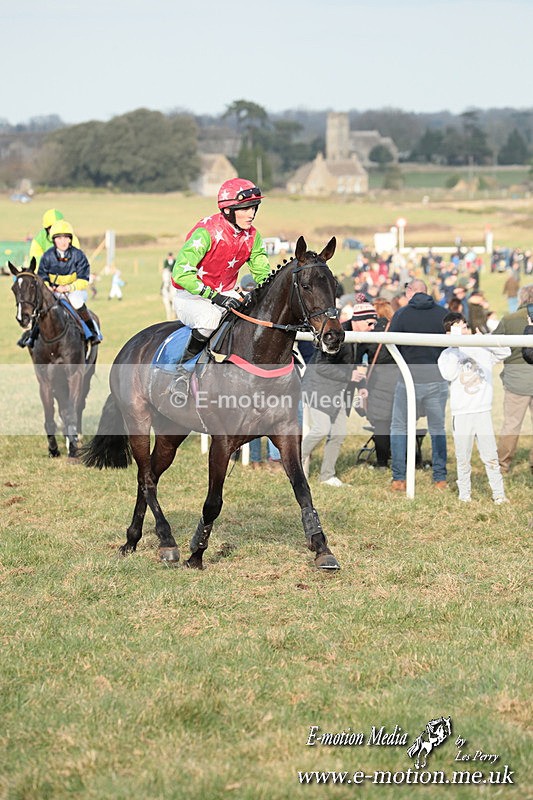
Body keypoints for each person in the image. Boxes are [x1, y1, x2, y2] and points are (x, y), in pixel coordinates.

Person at [170, 179, 271, 370]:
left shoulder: (253, 236)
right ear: (227, 210)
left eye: (254, 208)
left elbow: (262, 273)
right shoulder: (206, 232)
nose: (251, 214)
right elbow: (180, 273)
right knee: (210, 320)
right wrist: (215, 296)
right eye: (245, 209)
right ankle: (182, 370)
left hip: (226, 294)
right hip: (191, 297)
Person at [301, 296, 378, 487]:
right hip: (319, 388)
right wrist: (349, 376)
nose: (372, 328)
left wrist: (360, 387)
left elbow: (356, 368)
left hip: (340, 393)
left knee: (339, 433)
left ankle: (327, 476)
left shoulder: (361, 337)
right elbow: (321, 367)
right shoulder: (336, 333)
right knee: (321, 429)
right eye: (370, 323)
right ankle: (294, 462)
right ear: (357, 321)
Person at [438, 312, 509, 504]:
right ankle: (465, 495)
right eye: (458, 327)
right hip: (461, 413)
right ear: (448, 333)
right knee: (463, 456)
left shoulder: (481, 347)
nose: (464, 330)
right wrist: (456, 345)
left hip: (482, 411)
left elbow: (505, 353)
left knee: (490, 456)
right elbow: (449, 374)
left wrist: (484, 340)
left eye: (465, 325)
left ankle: (499, 494)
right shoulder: (447, 354)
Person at [389, 279, 449, 491]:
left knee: (399, 428)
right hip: (437, 378)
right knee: (437, 429)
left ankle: (399, 478)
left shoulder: (402, 314)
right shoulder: (443, 314)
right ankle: (440, 478)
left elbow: (391, 343)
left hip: (408, 379)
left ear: (410, 292)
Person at [28, 220, 101, 345]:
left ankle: (92, 331)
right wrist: (49, 287)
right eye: (59, 238)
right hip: (55, 290)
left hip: (75, 291)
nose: (63, 241)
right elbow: (42, 276)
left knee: (76, 302)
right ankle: (32, 336)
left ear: (70, 240)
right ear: (54, 240)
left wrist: (68, 287)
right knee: (42, 304)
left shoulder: (78, 256)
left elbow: (84, 279)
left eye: (66, 238)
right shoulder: (47, 256)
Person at [492, 284, 533, 474]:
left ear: (521, 298)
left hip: (517, 380)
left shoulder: (509, 320)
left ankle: (502, 465)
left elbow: (492, 344)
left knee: (511, 424)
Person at [364, 299, 398, 468]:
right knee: (397, 422)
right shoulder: (398, 330)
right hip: (398, 378)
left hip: (377, 379)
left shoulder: (372, 331)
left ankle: (382, 462)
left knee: (381, 423)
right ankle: (399, 458)